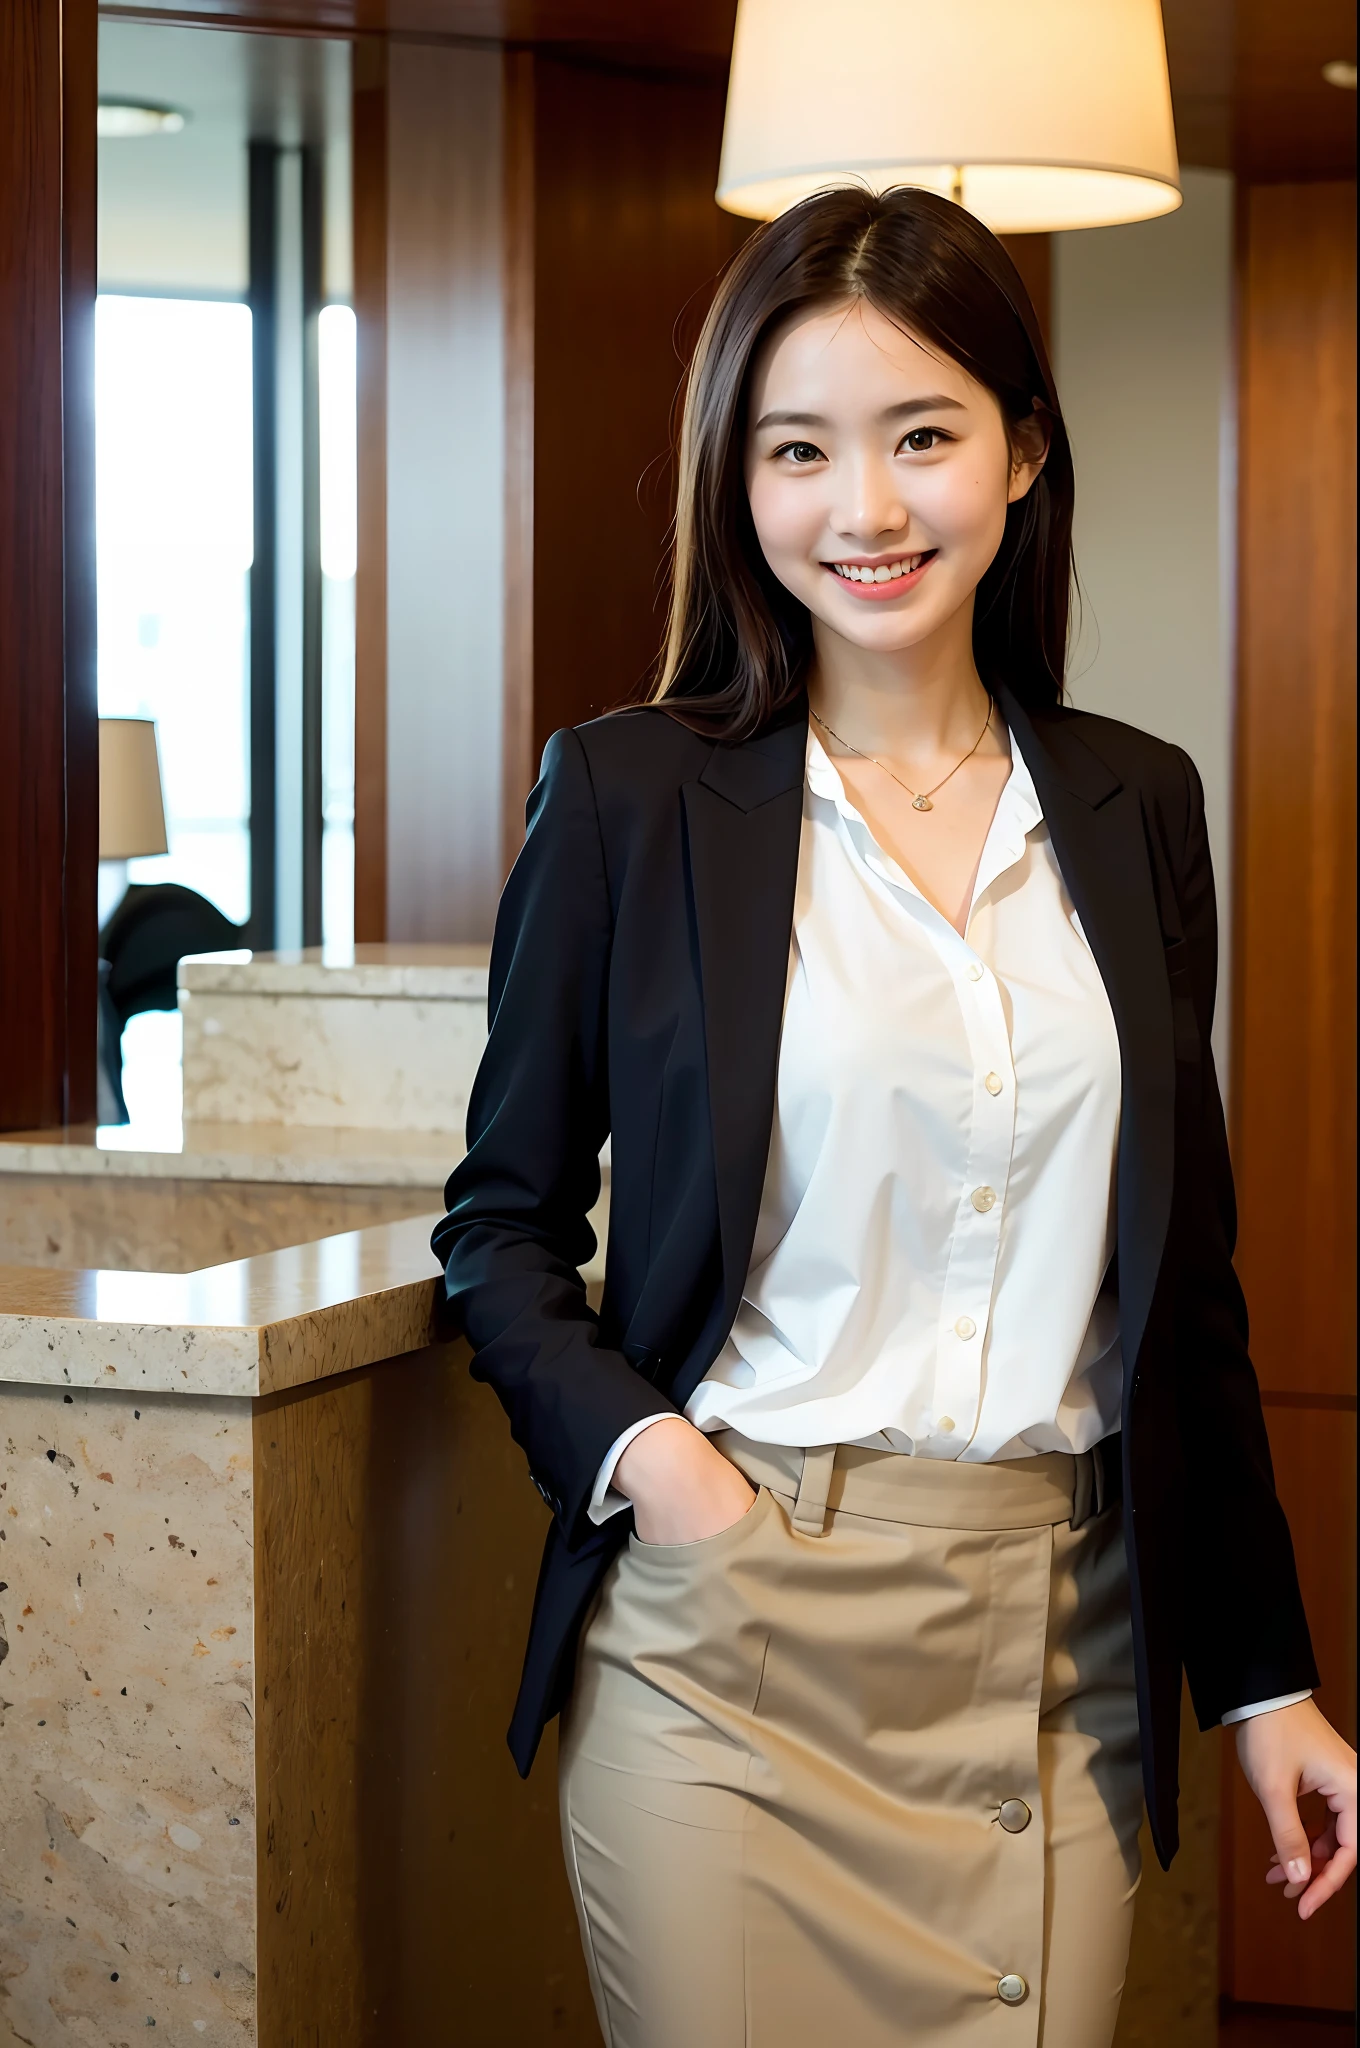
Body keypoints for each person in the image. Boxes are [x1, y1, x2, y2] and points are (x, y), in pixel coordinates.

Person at [433, 186, 1355, 2046]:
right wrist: (661, 1473)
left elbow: (1185, 1303)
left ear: (1021, 450)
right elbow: (501, 1230)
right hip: (730, 1649)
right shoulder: (627, 798)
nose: (864, 510)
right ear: (738, 481)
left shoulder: (1134, 806)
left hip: (1057, 1644)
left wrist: (1266, 1686)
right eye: (800, 451)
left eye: (921, 437)